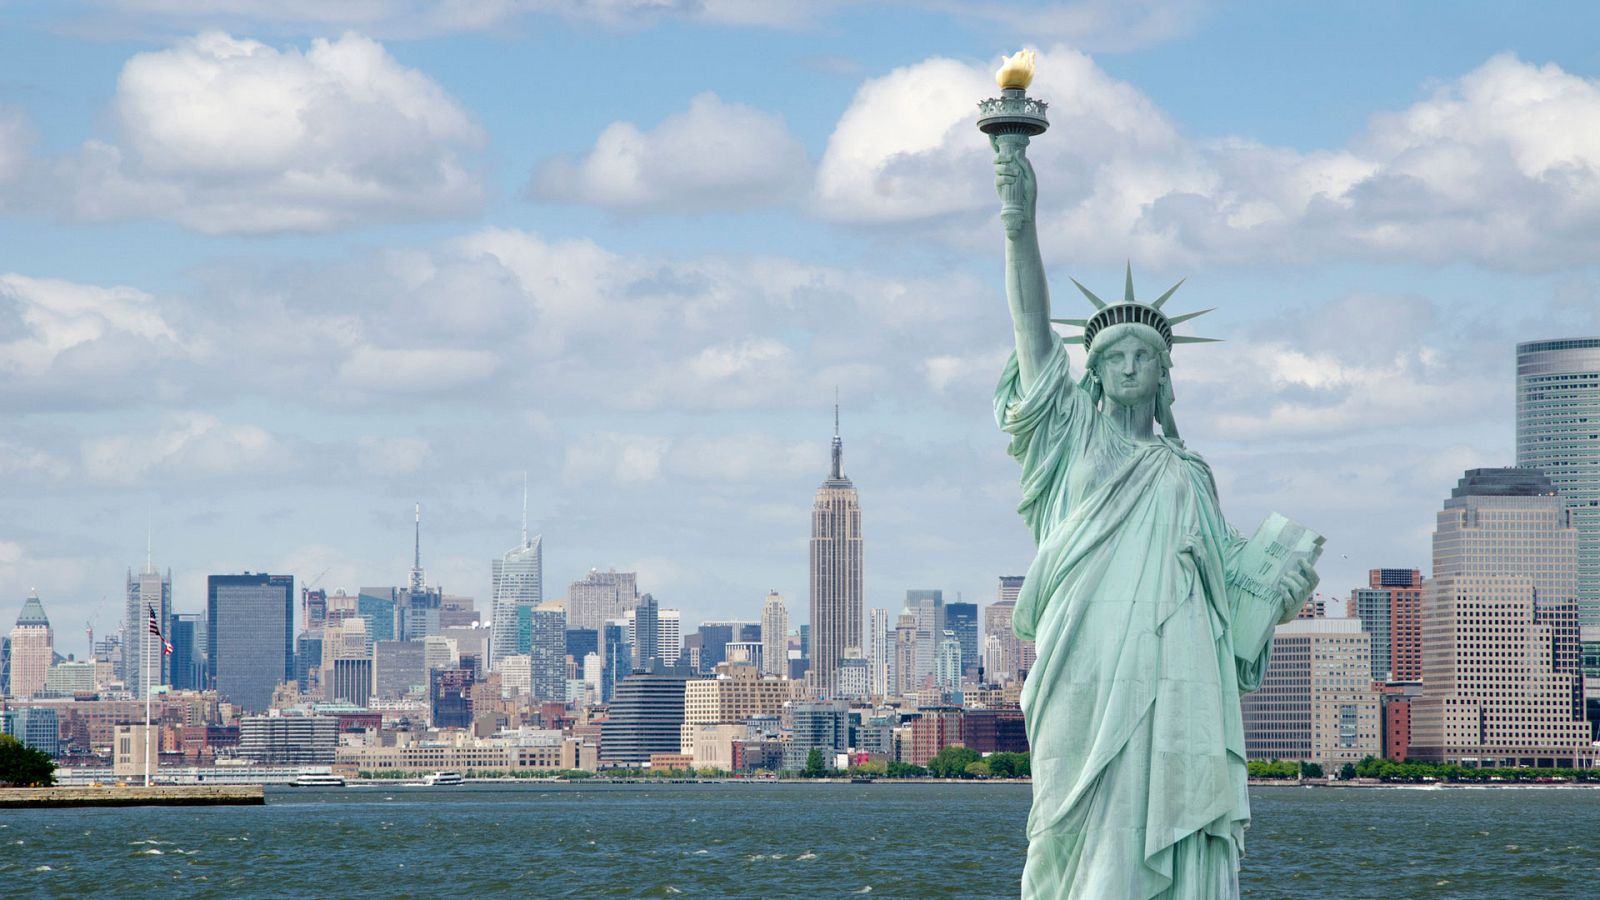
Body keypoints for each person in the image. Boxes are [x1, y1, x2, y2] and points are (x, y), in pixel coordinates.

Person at [991, 132, 1318, 899]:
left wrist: (1279, 586)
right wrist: (1019, 219)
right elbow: (1031, 329)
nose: (1130, 365)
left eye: (1144, 355)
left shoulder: (1188, 473)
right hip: (1085, 656)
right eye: (1114, 357)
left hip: (1178, 674)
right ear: (1095, 375)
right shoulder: (1069, 438)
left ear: (1164, 374)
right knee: (1068, 820)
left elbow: (1225, 593)